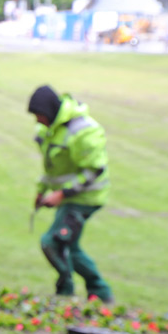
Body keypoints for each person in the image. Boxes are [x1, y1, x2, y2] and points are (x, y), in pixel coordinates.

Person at [27, 85, 113, 302]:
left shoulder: (83, 131)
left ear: (48, 112)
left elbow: (95, 170)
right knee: (68, 245)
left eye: (39, 116)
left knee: (53, 242)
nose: (37, 121)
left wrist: (62, 194)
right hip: (70, 197)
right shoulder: (51, 130)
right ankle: (98, 293)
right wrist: (42, 191)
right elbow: (53, 169)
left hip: (87, 197)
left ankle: (73, 291)